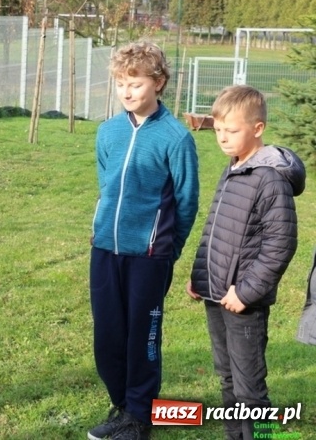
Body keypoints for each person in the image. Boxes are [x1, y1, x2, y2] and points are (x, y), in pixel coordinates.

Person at [88, 41, 200, 440]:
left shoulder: (176, 138)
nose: (127, 92)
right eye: (121, 83)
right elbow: (106, 184)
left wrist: (168, 251)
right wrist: (101, 227)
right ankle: (123, 406)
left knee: (143, 338)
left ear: (159, 82)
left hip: (150, 257)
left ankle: (141, 417)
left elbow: (186, 202)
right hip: (105, 250)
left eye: (135, 83)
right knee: (108, 337)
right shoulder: (108, 132)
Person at [186, 85, 305, 440]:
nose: (223, 138)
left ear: (257, 129)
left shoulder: (269, 179)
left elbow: (280, 244)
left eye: (232, 130)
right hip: (216, 294)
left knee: (250, 388)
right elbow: (216, 228)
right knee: (227, 378)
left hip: (243, 304)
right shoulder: (233, 168)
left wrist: (247, 292)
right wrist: (200, 275)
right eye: (219, 129)